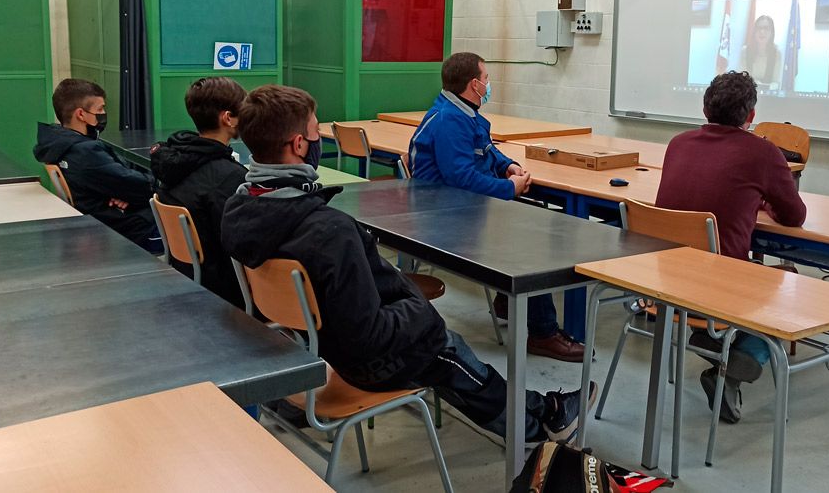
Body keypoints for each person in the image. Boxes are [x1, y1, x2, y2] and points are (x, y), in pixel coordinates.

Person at [220, 85, 595, 444]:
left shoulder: (240, 207)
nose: (319, 140)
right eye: (316, 132)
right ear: (299, 145)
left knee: (443, 347)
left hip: (318, 343)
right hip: (362, 359)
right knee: (444, 346)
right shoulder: (327, 230)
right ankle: (537, 424)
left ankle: (539, 413)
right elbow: (368, 334)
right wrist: (418, 310)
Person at [408, 52, 584, 363]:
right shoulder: (451, 120)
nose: (490, 84)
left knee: (530, 219)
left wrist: (508, 168)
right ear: (474, 85)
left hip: (458, 208)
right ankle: (543, 333)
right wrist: (508, 189)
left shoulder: (462, 112)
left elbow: (485, 149)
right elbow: (461, 178)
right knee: (532, 243)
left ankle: (508, 301)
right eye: (487, 79)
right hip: (445, 218)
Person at [655, 70, 807, 424]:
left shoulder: (678, 143)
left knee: (721, 271)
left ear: (705, 107)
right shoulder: (763, 153)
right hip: (718, 289)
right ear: (751, 116)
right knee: (788, 279)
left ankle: (711, 342)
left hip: (663, 284)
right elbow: (794, 216)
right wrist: (764, 201)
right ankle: (734, 367)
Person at [150, 77, 248, 306]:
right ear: (228, 118)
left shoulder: (176, 161)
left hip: (189, 276)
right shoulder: (229, 178)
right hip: (225, 290)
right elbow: (243, 244)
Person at [33, 79, 160, 252]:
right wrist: (146, 185)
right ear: (81, 114)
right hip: (130, 229)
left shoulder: (57, 143)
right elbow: (140, 186)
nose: (103, 113)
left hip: (103, 217)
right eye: (99, 109)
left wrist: (124, 193)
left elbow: (123, 183)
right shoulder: (86, 152)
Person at [741, 15, 780, 88]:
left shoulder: (777, 53)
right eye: (759, 28)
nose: (762, 32)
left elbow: (776, 82)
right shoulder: (745, 51)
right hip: (748, 93)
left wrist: (765, 88)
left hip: (769, 95)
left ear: (772, 33)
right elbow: (742, 79)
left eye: (766, 28)